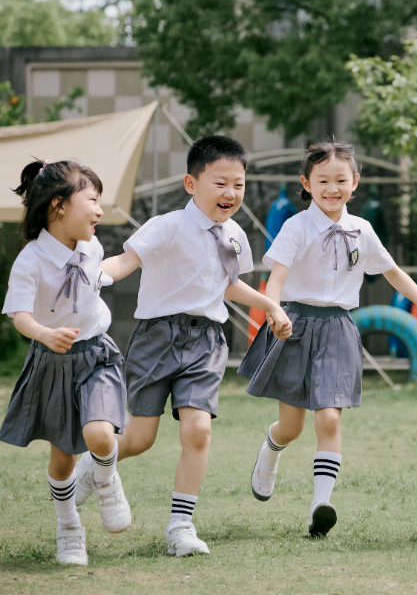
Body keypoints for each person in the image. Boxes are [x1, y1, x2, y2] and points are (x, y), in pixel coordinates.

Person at [75, 135, 293, 557]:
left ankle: (181, 526)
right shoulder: (166, 225)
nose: (231, 193)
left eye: (239, 184)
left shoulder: (234, 235)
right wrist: (89, 276)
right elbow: (123, 263)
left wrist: (269, 305)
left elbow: (230, 286)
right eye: (220, 183)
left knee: (198, 430)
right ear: (192, 184)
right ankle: (94, 463)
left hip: (207, 341)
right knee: (139, 439)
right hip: (156, 337)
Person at [240, 140, 417, 537]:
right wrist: (275, 310)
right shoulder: (296, 226)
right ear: (306, 182)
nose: (332, 188)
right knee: (291, 426)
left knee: (330, 416)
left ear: (355, 182)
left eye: (341, 179)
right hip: (296, 323)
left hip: (339, 327)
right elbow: (277, 277)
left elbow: (393, 273)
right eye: (323, 181)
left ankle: (321, 504)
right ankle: (270, 450)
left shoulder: (363, 229)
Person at [1, 159, 130, 565]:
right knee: (62, 459)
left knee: (100, 435)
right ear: (58, 205)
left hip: (96, 354)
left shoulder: (93, 247)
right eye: (92, 200)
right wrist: (44, 333)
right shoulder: (31, 259)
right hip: (52, 361)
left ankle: (107, 480)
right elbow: (20, 315)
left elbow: (102, 275)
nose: (99, 211)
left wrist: (145, 252)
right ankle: (68, 526)